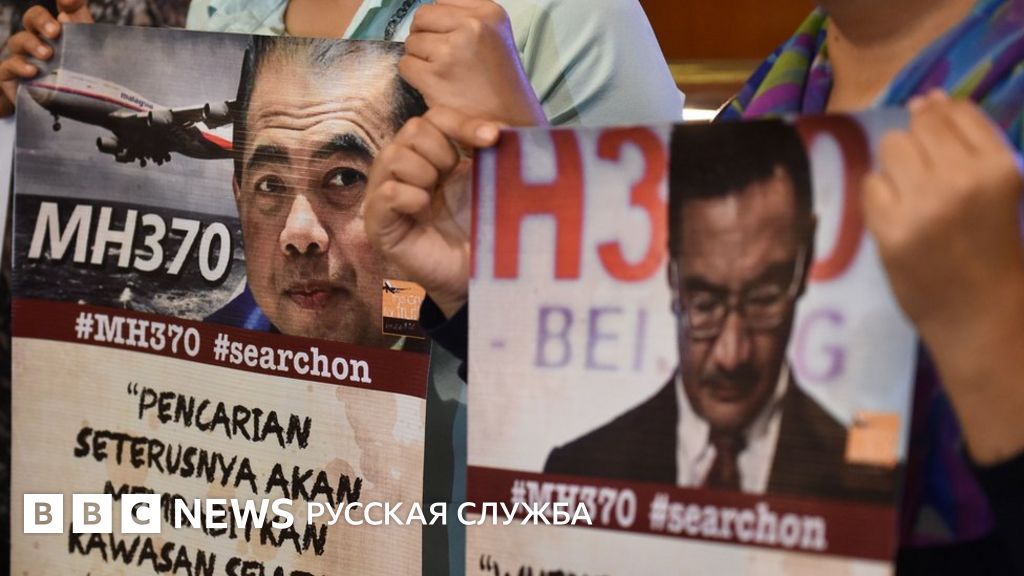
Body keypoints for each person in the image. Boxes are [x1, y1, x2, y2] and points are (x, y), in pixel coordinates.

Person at [365, 0, 1024, 574]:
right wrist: (501, 281)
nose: (732, 349)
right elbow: (637, 434)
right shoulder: (781, 89)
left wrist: (988, 330)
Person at [541, 121, 896, 502]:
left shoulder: (870, 483)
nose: (731, 355)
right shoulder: (578, 470)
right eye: (705, 303)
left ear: (806, 261)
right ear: (672, 276)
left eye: (764, 299)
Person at [205, 36, 427, 347]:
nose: (299, 235)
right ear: (239, 197)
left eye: (346, 178)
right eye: (271, 185)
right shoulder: (205, 348)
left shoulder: (469, 339)